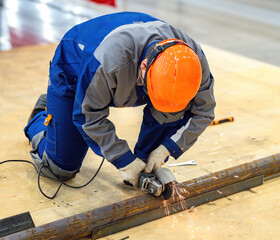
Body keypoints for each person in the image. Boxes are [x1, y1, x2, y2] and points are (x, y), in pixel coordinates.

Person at [24, 12, 215, 188]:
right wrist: (122, 159)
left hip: (122, 63)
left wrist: (167, 148)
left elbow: (204, 112)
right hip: (76, 66)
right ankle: (42, 115)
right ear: (143, 67)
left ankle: (143, 167)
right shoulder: (106, 62)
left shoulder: (192, 61)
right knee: (59, 169)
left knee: (157, 140)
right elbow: (87, 116)